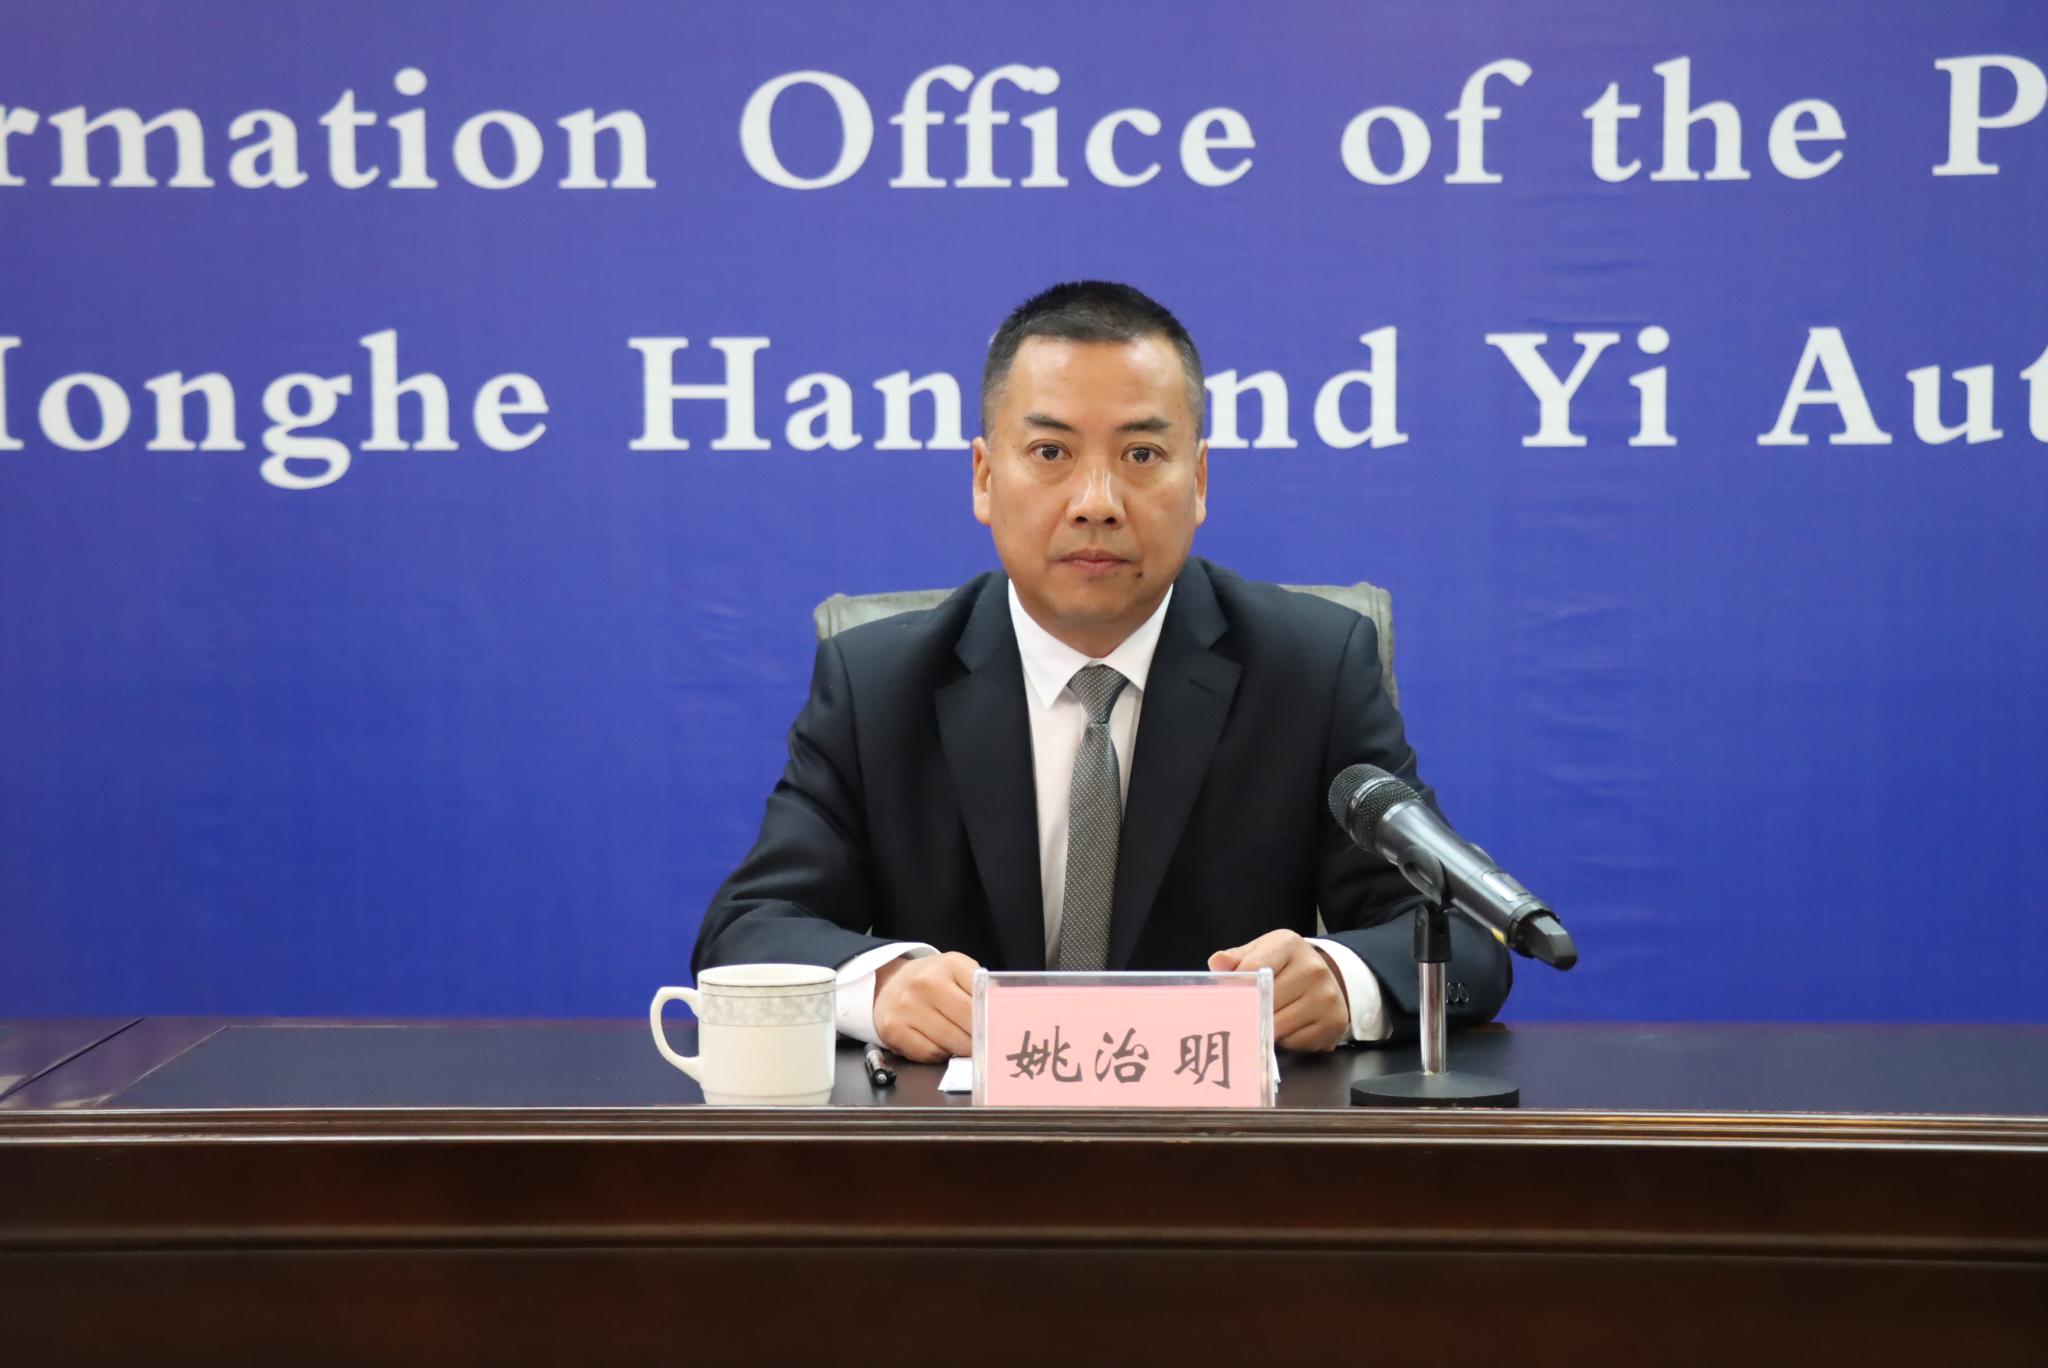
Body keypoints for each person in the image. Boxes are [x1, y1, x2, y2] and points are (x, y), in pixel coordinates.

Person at [694, 281, 1511, 1063]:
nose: (1097, 501)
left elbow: (1465, 937)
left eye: (1142, 453)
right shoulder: (879, 684)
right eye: (1050, 451)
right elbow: (746, 930)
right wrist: (882, 985)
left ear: (1198, 482)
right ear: (985, 478)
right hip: (959, 1142)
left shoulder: (1307, 669)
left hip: (1220, 1141)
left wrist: (1342, 980)